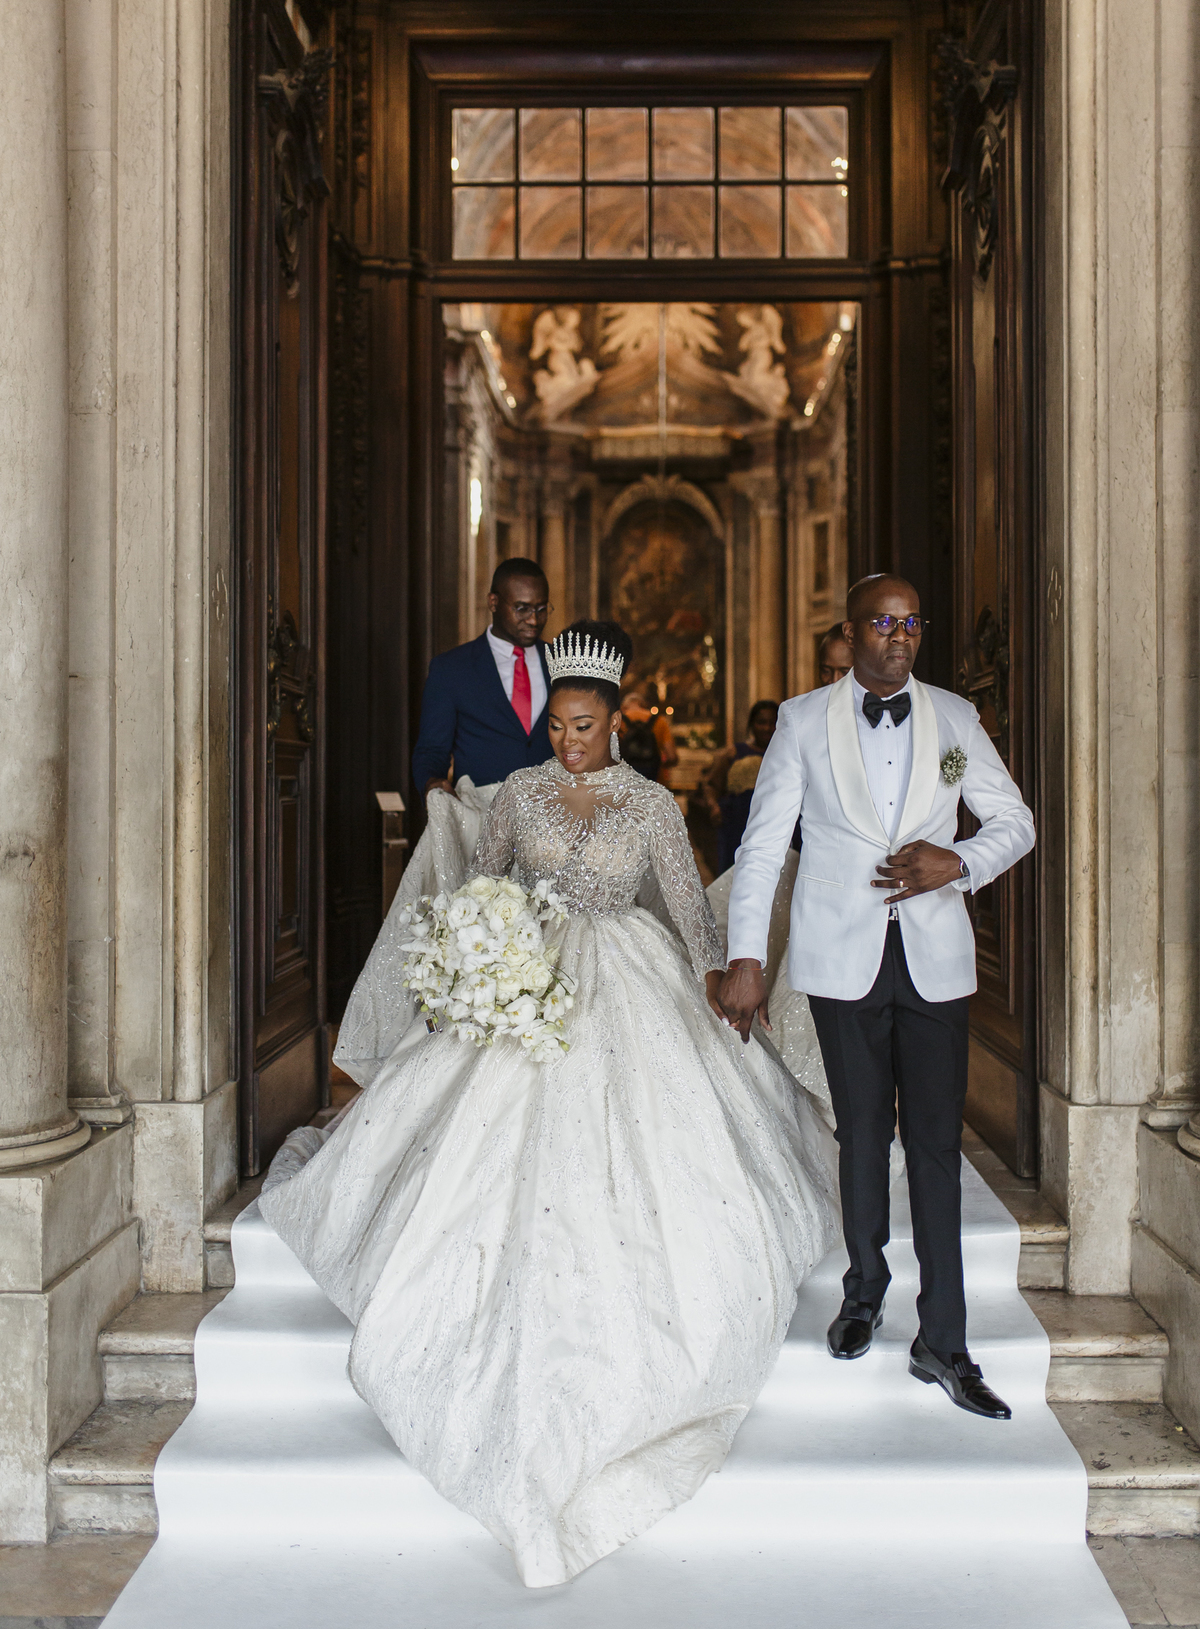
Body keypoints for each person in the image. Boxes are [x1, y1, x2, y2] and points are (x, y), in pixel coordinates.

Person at [259, 617, 835, 1589]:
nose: (568, 741)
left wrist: (721, 980)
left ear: (616, 719)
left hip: (628, 975)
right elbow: (481, 889)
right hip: (525, 975)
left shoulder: (651, 804)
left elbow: (687, 909)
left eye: (584, 727)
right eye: (558, 726)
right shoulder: (518, 794)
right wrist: (477, 955)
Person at [719, 572, 1035, 1421]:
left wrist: (958, 861)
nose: (901, 636)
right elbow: (762, 848)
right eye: (884, 623)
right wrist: (746, 957)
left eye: (912, 623)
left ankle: (946, 1342)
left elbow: (1015, 821)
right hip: (840, 956)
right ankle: (863, 1291)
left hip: (935, 957)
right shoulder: (800, 722)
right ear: (853, 633)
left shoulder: (956, 720)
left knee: (934, 1145)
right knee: (861, 1133)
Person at [411, 557, 553, 797]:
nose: (533, 620)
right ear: (493, 602)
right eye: (522, 608)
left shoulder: (561, 661)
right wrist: (432, 783)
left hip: (552, 810)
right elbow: (432, 750)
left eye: (541, 609)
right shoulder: (451, 669)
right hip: (480, 811)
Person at [699, 699, 780, 873]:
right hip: (736, 823)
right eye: (761, 722)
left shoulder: (785, 755)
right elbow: (712, 784)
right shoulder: (734, 753)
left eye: (772, 723)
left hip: (774, 824)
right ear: (752, 724)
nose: (767, 728)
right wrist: (714, 808)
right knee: (734, 872)